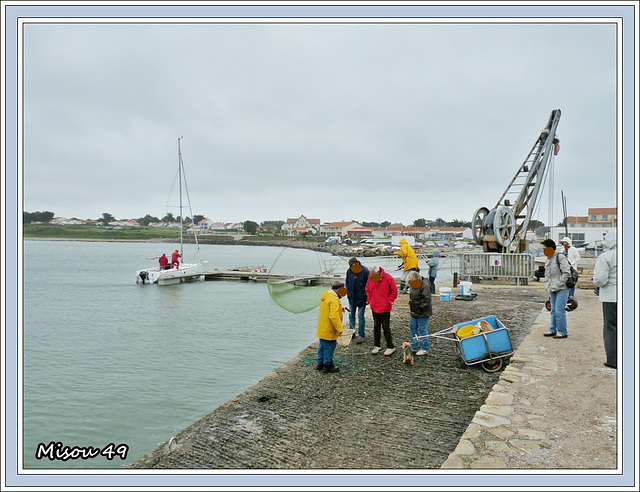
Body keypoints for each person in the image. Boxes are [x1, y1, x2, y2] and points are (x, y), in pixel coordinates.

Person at [592, 230, 617, 369]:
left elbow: (600, 280)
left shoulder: (606, 256)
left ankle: (613, 360)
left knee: (611, 328)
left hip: (611, 297)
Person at [541, 238, 571, 339]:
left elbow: (566, 273)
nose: (543, 250)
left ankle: (562, 331)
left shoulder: (560, 257)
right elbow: (547, 275)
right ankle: (552, 329)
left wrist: (558, 284)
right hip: (552, 288)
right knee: (553, 310)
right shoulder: (548, 259)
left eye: (544, 248)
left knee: (559, 310)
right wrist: (547, 285)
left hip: (562, 288)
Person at [365, 265, 398, 356]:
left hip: (385, 307)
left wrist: (390, 301)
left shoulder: (388, 278)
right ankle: (377, 345)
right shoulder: (371, 278)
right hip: (374, 306)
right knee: (376, 326)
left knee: (386, 327)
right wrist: (369, 299)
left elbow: (394, 290)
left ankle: (390, 346)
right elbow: (367, 289)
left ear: (378, 272)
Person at [316, 282, 346, 373]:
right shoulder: (334, 299)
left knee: (322, 346)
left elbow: (328, 309)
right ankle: (328, 365)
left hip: (322, 328)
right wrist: (340, 329)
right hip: (329, 329)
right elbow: (333, 316)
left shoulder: (326, 297)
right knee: (329, 346)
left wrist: (341, 309)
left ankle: (320, 364)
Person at [406, 270, 431, 356]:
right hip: (414, 311)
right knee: (413, 327)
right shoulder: (414, 285)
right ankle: (414, 345)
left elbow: (426, 300)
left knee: (422, 329)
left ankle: (425, 348)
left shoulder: (425, 285)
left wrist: (419, 308)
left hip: (423, 312)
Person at [345, 257, 369, 344]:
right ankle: (352, 333)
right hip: (352, 297)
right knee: (351, 315)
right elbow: (347, 282)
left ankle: (361, 335)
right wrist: (348, 293)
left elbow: (369, 284)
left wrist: (367, 296)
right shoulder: (349, 271)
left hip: (362, 297)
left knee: (360, 316)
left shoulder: (365, 271)